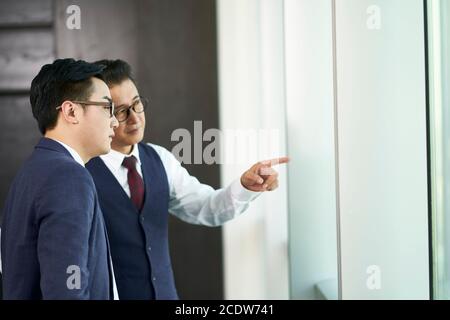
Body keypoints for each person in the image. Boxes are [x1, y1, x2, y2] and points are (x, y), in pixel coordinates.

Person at [86, 59, 289, 299]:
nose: (134, 118)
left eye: (137, 104)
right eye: (121, 111)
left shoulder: (160, 159)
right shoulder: (82, 171)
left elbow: (207, 207)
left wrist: (245, 186)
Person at [1, 58, 119, 299]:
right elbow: (66, 291)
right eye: (108, 108)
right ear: (71, 111)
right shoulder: (68, 177)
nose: (115, 121)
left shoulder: (33, 170)